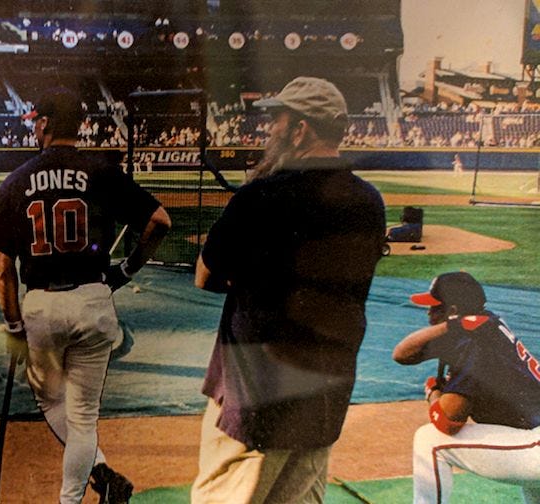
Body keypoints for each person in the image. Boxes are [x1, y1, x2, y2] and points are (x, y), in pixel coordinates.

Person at [191, 76, 386, 503]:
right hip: (325, 394)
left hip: (259, 397)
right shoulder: (369, 202)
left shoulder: (262, 195)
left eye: (278, 120)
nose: (270, 129)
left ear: (301, 129)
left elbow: (204, 276)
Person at [0, 87, 171, 504]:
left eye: (35, 121)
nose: (33, 127)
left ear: (46, 124)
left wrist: (13, 327)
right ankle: (77, 496)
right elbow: (160, 221)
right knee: (84, 416)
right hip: (94, 301)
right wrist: (126, 269)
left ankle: (101, 473)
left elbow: (2, 270)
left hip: (42, 306)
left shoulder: (18, 179)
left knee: (53, 404)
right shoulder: (101, 170)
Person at [393, 271, 540, 504]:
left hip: (536, 446)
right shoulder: (483, 324)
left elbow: (447, 421)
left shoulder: (474, 345)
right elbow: (401, 354)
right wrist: (453, 326)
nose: (428, 313)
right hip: (532, 439)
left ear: (452, 312)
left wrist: (433, 394)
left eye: (435, 307)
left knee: (430, 440)